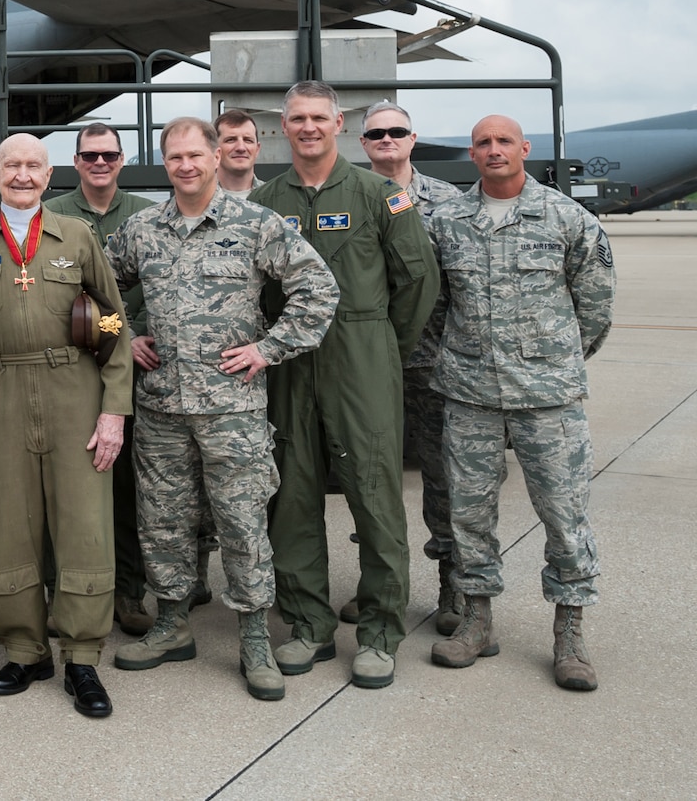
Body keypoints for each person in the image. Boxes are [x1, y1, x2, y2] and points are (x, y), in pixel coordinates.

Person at [107, 118, 338, 701]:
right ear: (164, 162)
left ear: (216, 157)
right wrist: (124, 335)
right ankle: (171, 623)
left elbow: (319, 289)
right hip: (160, 408)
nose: (185, 165)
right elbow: (90, 291)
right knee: (162, 521)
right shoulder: (141, 229)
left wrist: (268, 348)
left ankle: (254, 636)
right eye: (174, 156)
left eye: (195, 154)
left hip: (231, 410)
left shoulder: (256, 224)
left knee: (242, 523)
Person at [251, 82, 440, 689]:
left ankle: (381, 631)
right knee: (293, 492)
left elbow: (416, 282)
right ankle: (308, 625)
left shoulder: (379, 195)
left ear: (339, 123)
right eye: (297, 119)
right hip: (287, 363)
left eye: (318, 118)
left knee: (375, 491)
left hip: (361, 355)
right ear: (284, 126)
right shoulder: (262, 200)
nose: (308, 128)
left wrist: (384, 349)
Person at [428, 116, 615, 692]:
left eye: (504, 140)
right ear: (472, 153)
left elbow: (596, 307)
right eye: (482, 142)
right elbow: (434, 306)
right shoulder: (446, 222)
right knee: (469, 514)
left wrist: (550, 362)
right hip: (470, 395)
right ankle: (477, 620)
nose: (493, 150)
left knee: (564, 515)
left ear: (524, 149)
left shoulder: (566, 217)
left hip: (547, 399)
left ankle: (570, 632)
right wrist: (461, 357)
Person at [0, 132, 131, 717]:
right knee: (7, 525)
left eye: (33, 165)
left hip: (72, 388)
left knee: (83, 523)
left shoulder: (76, 236)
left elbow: (111, 323)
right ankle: (25, 650)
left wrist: (113, 409)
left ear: (48, 175)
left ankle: (81, 656)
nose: (22, 175)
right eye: (12, 166)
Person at [349, 101, 464, 633]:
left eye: (396, 131)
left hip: (433, 363)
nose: (387, 139)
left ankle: (454, 590)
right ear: (364, 143)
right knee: (370, 477)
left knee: (444, 478)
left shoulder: (446, 202)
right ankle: (379, 586)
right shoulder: (350, 195)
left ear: (413, 139)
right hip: (368, 364)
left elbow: (465, 283)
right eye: (376, 134)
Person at [44, 122, 162, 637]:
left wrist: (131, 334)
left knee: (129, 490)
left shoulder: (145, 214)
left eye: (108, 155)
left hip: (138, 369)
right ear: (75, 161)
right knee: (65, 490)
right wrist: (124, 331)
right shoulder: (54, 216)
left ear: (121, 160)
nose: (99, 163)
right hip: (70, 370)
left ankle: (129, 592)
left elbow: (142, 290)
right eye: (89, 156)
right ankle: (62, 593)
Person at [216, 110, 263, 197]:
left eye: (248, 140)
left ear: (257, 149)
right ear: (215, 150)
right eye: (231, 140)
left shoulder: (274, 198)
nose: (241, 148)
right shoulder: (196, 198)